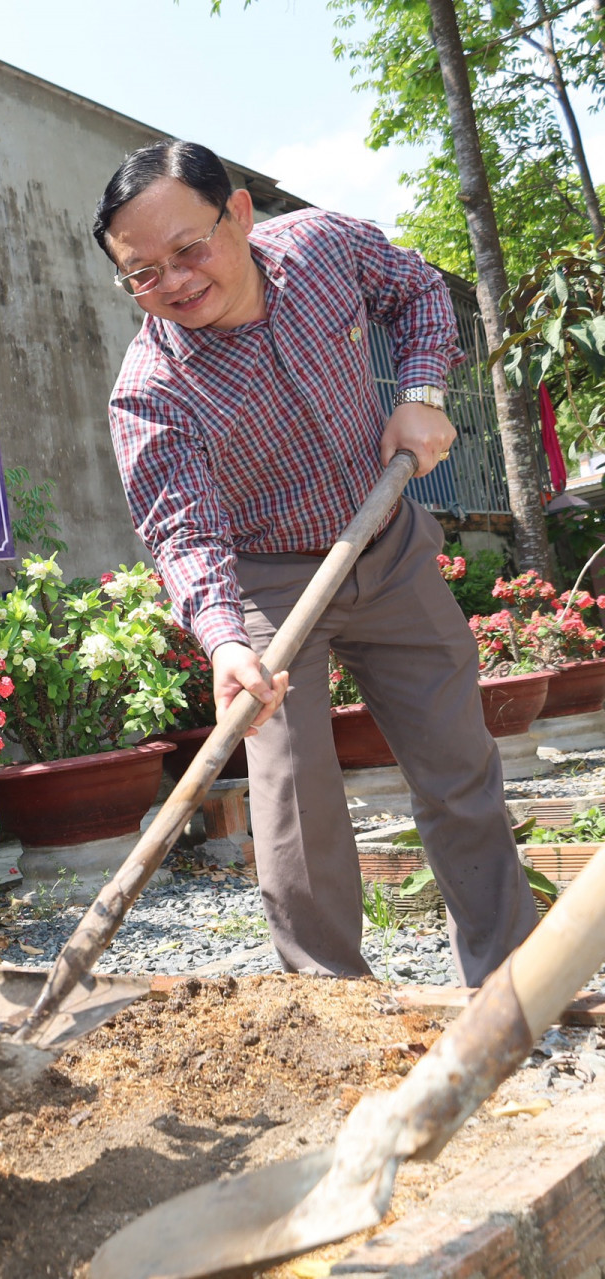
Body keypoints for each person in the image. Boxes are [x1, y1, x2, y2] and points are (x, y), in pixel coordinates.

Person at [97, 140, 537, 986]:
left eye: (189, 249)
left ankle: (513, 979)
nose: (176, 283)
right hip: (268, 582)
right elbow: (184, 533)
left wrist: (421, 392)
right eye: (143, 275)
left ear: (239, 215)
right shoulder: (152, 389)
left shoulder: (324, 250)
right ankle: (334, 1003)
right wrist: (227, 644)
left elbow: (415, 293)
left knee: (458, 766)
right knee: (294, 801)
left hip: (388, 544)